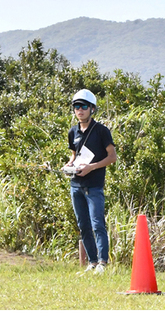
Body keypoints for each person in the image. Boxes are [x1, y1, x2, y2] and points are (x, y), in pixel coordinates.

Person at [63, 88, 116, 274]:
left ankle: (102, 262)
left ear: (92, 109)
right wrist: (68, 165)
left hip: (94, 185)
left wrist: (91, 167)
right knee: (83, 225)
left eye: (83, 106)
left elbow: (112, 157)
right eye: (76, 106)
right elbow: (74, 156)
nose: (80, 110)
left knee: (97, 224)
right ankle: (92, 262)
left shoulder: (101, 131)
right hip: (75, 185)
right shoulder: (73, 132)